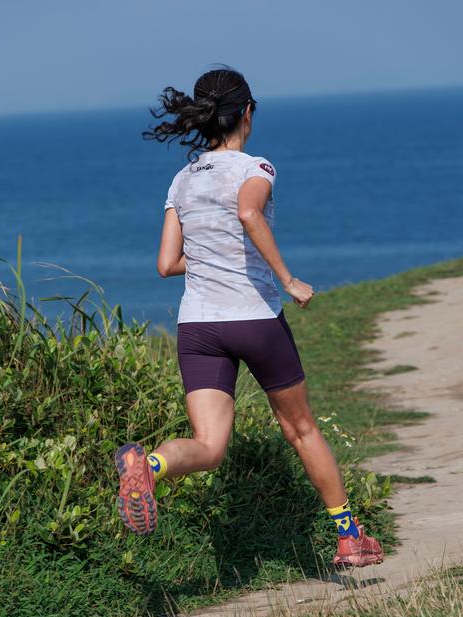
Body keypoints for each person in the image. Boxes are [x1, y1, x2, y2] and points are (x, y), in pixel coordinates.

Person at [115, 66, 383, 568]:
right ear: (247, 113)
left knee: (209, 446)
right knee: (301, 428)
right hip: (252, 318)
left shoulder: (182, 179)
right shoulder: (255, 168)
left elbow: (166, 263)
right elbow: (248, 214)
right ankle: (350, 538)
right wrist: (287, 278)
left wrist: (213, 256)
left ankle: (148, 466)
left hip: (198, 327)